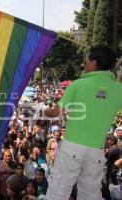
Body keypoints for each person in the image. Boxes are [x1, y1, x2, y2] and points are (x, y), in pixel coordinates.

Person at [45, 46, 122, 199]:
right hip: (96, 149)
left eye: (85, 61)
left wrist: (46, 111)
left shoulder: (78, 85)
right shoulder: (118, 89)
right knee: (91, 193)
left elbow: (55, 112)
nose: (84, 64)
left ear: (94, 62)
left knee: (59, 190)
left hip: (72, 146)